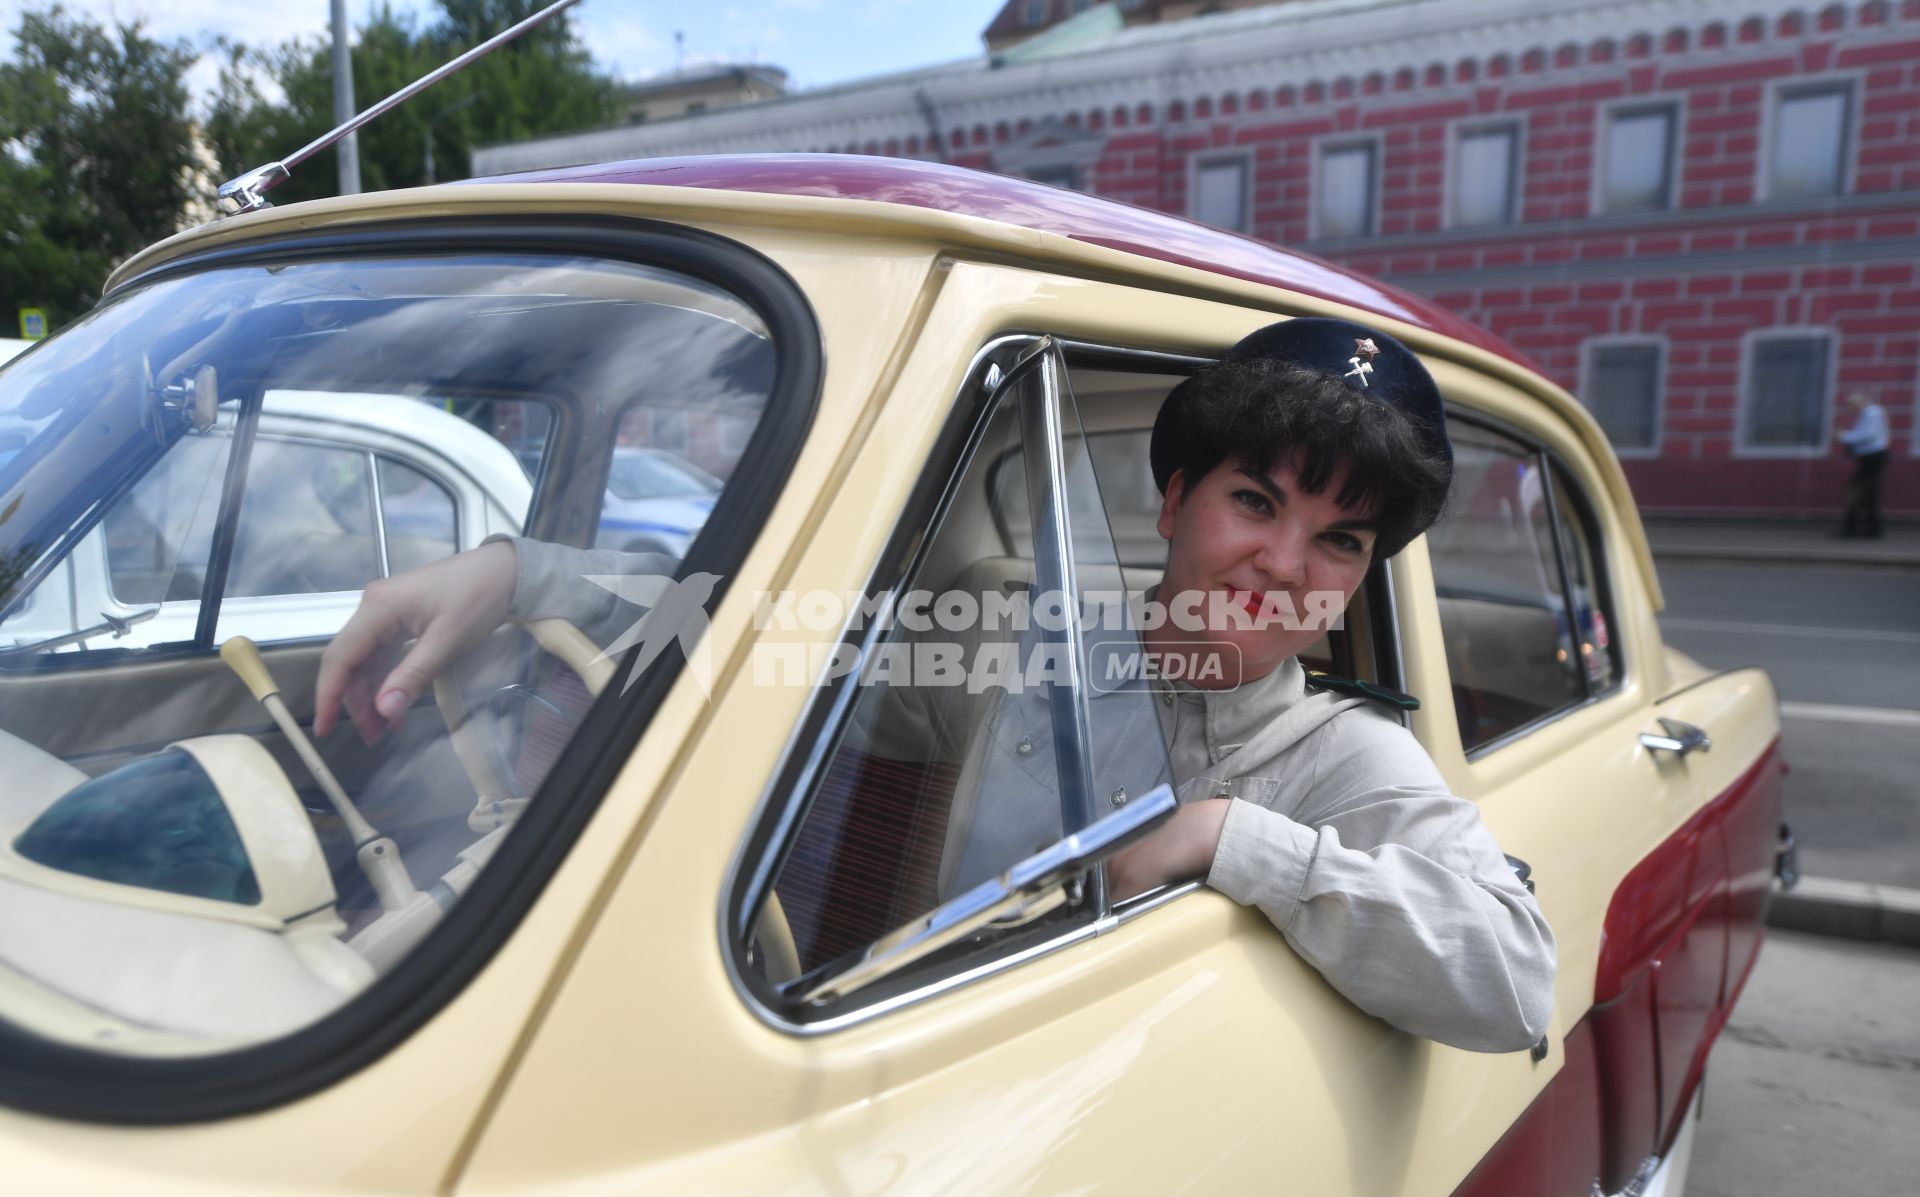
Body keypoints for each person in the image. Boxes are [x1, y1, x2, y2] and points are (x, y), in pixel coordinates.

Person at [314, 318, 1556, 1054]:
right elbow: (775, 631)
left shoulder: (1348, 759)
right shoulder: (1026, 641)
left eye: (1341, 540)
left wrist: (1232, 835)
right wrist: (513, 569)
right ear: (1174, 500)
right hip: (909, 1047)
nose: (1284, 564)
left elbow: (1517, 977)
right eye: (1256, 500)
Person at [1838, 391, 1890, 539]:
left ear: (1859, 403)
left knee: (1858, 491)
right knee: (1867, 494)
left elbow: (1867, 436)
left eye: (1852, 407)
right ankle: (1869, 530)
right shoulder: (1867, 414)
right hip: (1871, 458)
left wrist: (1843, 436)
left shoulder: (1872, 414)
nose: (1851, 411)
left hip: (1873, 459)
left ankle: (1853, 529)